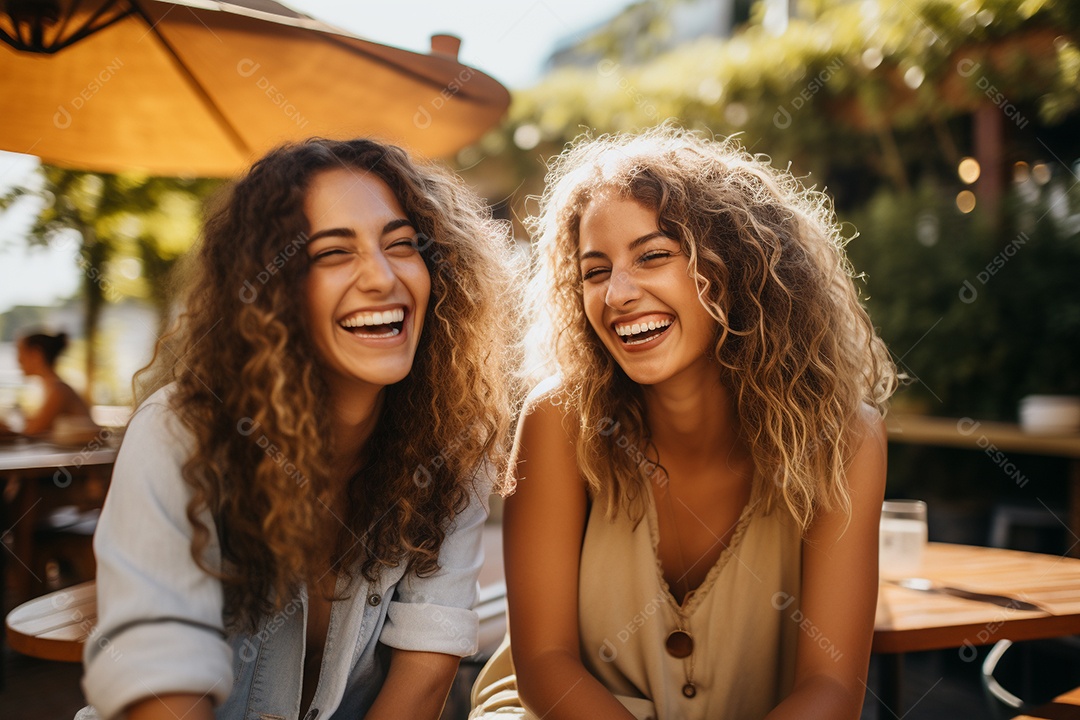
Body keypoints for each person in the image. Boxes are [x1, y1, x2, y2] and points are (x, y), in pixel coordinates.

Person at [81, 138, 521, 720]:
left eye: (402, 245)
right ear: (272, 290)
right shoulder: (179, 437)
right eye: (334, 253)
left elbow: (424, 673)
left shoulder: (452, 448)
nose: (382, 277)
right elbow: (164, 689)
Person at [471, 127, 897, 719]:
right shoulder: (558, 420)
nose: (617, 293)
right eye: (595, 272)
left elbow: (830, 688)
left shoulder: (844, 440)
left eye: (653, 256)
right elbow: (543, 664)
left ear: (740, 267)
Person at [0, 331, 96, 437]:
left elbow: (32, 432)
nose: (18, 360)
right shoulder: (50, 388)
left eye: (20, 353)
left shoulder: (59, 390)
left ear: (36, 354)